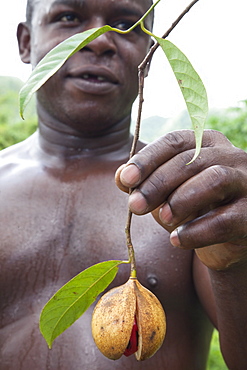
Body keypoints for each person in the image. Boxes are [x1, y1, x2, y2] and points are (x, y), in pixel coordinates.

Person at [0, 0, 247, 369]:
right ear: (25, 41)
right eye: (69, 17)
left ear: (150, 51)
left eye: (126, 23)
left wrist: (238, 256)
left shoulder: (189, 192)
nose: (100, 40)